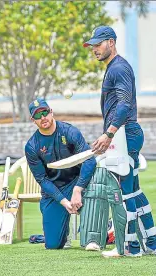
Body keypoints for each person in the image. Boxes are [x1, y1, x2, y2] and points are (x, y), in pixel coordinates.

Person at [84, 25, 156, 257]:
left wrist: (109, 133)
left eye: (98, 44)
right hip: (127, 133)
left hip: (125, 134)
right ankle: (152, 243)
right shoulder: (115, 67)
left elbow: (124, 104)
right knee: (134, 191)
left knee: (125, 194)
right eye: (92, 46)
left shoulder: (118, 68)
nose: (94, 49)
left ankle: (130, 247)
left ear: (111, 43)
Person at [25, 98, 97, 249]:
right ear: (33, 120)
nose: (43, 117)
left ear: (51, 112)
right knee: (53, 244)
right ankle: (64, 233)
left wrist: (78, 190)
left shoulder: (70, 132)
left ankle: (95, 233)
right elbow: (42, 179)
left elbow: (89, 160)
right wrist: (63, 201)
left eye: (45, 112)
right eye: (38, 115)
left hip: (77, 182)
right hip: (54, 190)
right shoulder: (32, 146)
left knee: (96, 182)